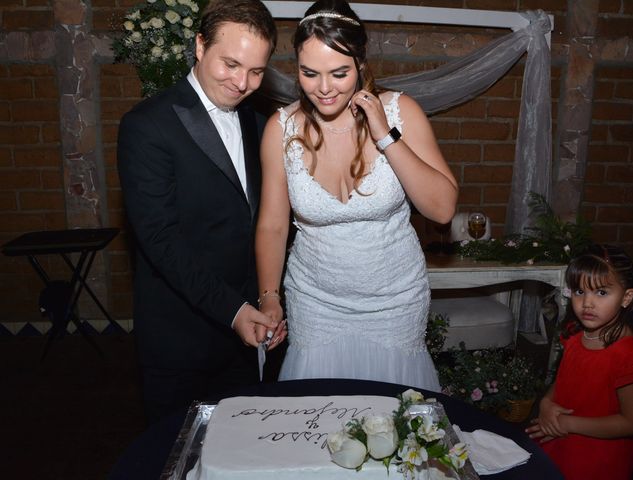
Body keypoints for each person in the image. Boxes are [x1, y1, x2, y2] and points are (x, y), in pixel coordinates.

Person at [255, 0, 458, 391]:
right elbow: (273, 224)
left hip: (394, 303)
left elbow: (442, 209)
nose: (324, 88)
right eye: (309, 73)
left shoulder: (402, 112)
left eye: (339, 73)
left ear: (361, 64)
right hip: (316, 303)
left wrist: (385, 135)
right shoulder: (280, 128)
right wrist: (269, 295)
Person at [117, 0, 285, 424]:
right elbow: (160, 239)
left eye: (256, 71)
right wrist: (233, 310)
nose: (242, 82)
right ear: (199, 45)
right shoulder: (147, 125)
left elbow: (266, 224)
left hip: (246, 342)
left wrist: (270, 299)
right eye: (230, 64)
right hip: (181, 342)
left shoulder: (259, 123)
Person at [526, 244, 633, 479]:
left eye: (601, 293)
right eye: (579, 292)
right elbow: (564, 379)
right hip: (560, 439)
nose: (587, 303)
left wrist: (568, 424)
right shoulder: (575, 333)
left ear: (626, 297)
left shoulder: (627, 354)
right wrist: (546, 403)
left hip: (598, 457)